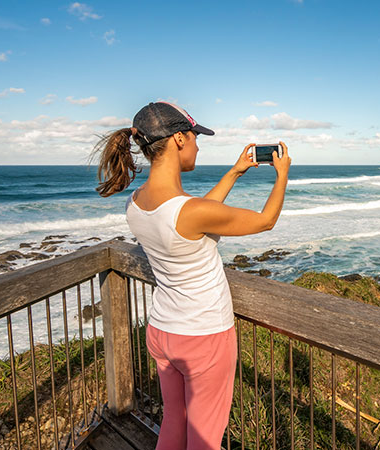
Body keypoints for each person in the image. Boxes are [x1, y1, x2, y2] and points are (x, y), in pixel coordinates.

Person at [91, 101, 291, 450]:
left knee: (174, 420)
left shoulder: (136, 203)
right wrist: (283, 174)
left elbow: (197, 216)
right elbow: (265, 220)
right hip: (204, 337)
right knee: (204, 437)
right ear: (179, 139)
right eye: (196, 137)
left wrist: (234, 172)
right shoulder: (190, 211)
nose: (198, 145)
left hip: (163, 331)